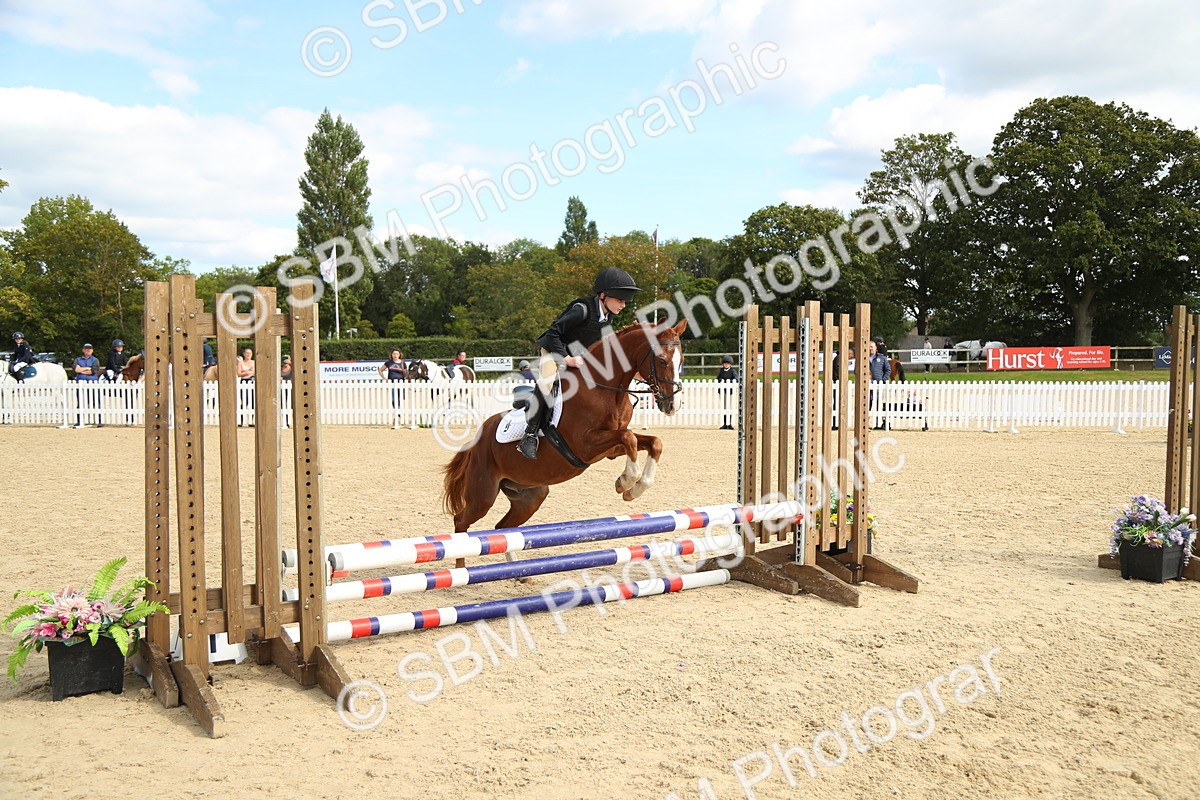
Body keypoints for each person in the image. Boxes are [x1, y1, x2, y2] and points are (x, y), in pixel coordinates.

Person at [518, 267, 641, 459]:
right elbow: (553, 333)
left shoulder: (607, 317)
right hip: (553, 349)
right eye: (620, 300)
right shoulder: (581, 310)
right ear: (603, 296)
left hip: (577, 354)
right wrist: (565, 359)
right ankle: (530, 435)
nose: (623, 305)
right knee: (548, 382)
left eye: (624, 301)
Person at [867, 340, 890, 430]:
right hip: (866, 386)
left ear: (876, 348)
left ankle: (877, 423)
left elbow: (888, 370)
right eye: (868, 347)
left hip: (878, 386)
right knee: (866, 405)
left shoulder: (882, 358)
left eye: (871, 347)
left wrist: (883, 381)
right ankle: (865, 424)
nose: (870, 349)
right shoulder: (863, 358)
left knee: (878, 405)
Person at [715, 355, 738, 430]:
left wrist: (730, 382)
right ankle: (725, 423)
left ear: (730, 364)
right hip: (723, 392)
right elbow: (717, 379)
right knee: (724, 407)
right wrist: (721, 380)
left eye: (727, 363)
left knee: (729, 407)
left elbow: (736, 379)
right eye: (725, 363)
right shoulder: (721, 370)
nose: (726, 365)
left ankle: (729, 424)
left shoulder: (733, 371)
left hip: (730, 392)